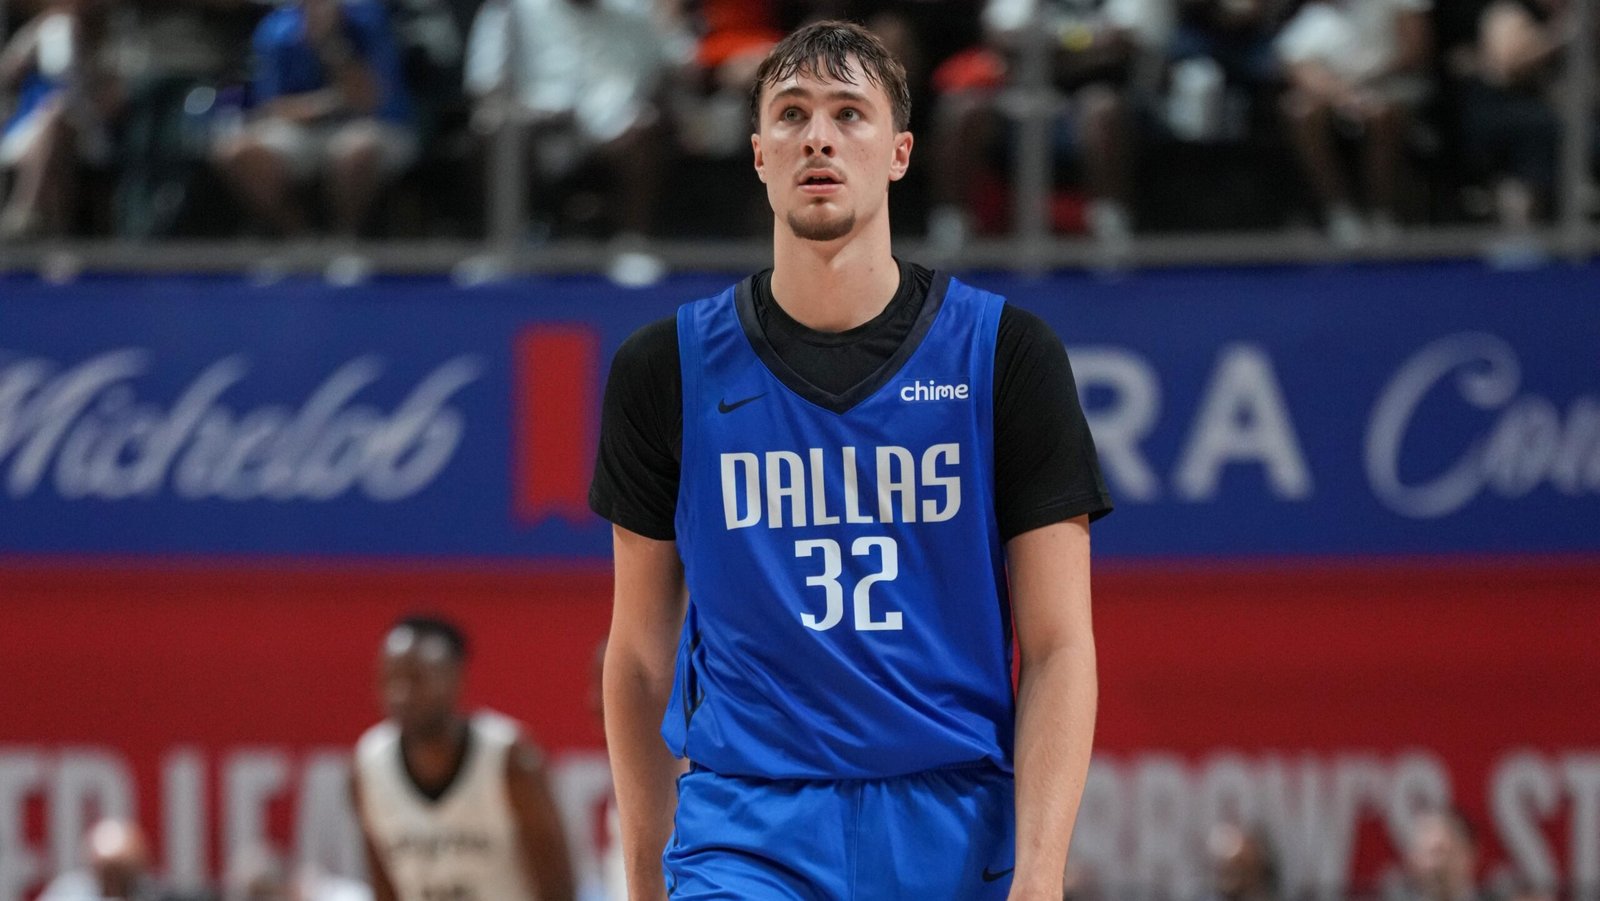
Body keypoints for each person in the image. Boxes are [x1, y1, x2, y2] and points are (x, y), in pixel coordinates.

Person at [590, 20, 1111, 899]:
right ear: (759, 155)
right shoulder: (664, 369)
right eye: (791, 114)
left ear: (901, 152)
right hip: (746, 829)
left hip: (954, 819)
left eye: (849, 113)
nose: (818, 137)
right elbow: (639, 658)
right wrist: (644, 879)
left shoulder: (1005, 355)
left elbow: (1060, 644)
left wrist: (1041, 875)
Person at [351, 615, 576, 901]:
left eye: (416, 679)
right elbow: (384, 882)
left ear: (455, 678)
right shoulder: (368, 763)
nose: (400, 694)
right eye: (390, 679)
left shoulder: (508, 759)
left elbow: (557, 885)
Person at [212, 0, 417, 237]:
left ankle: (345, 239)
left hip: (373, 123)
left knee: (358, 149)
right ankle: (300, 238)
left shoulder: (369, 18)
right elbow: (273, 107)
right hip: (300, 129)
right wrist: (331, 102)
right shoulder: (276, 27)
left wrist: (331, 43)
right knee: (236, 151)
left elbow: (368, 99)